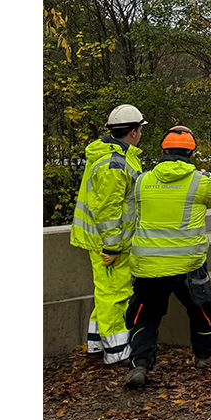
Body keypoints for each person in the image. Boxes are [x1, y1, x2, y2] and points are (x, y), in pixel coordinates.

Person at [124, 126, 211, 389]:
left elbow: (132, 212)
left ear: (162, 151)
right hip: (188, 266)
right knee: (200, 310)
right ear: (192, 152)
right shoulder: (201, 181)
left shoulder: (143, 180)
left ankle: (140, 364)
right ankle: (203, 356)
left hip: (147, 266)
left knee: (145, 316)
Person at [70, 104, 146, 365]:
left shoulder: (112, 155)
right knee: (115, 294)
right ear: (134, 132)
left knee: (105, 292)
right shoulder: (114, 163)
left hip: (106, 240)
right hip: (110, 243)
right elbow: (107, 210)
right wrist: (112, 246)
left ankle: (95, 343)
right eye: (140, 129)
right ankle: (116, 353)